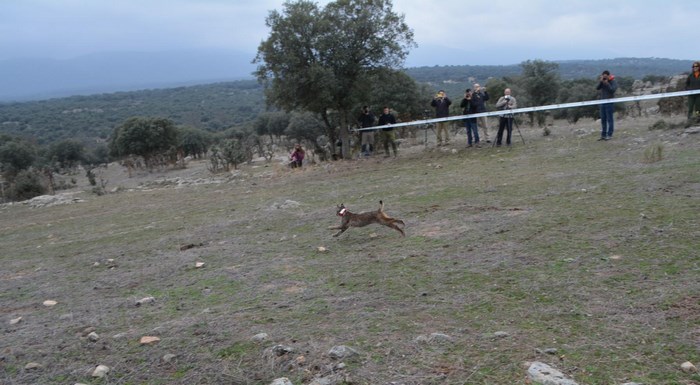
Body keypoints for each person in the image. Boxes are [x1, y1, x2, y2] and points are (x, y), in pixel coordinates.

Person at [596, 70, 617, 140]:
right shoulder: (602, 82)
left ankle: (609, 134)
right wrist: (601, 81)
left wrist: (607, 83)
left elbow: (612, 90)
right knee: (603, 119)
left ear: (608, 76)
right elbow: (597, 88)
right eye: (603, 76)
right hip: (602, 102)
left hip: (609, 103)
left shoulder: (613, 82)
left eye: (606, 76)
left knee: (609, 119)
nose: (605, 78)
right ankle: (603, 135)